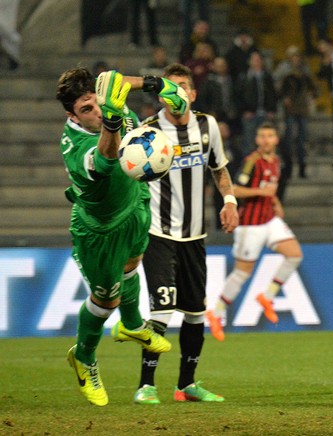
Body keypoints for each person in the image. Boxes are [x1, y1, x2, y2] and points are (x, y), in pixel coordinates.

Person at [56, 67, 189, 406]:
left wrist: (159, 85)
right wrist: (113, 123)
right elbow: (104, 161)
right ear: (72, 114)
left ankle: (132, 325)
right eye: (86, 110)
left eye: (97, 104)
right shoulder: (77, 146)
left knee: (134, 262)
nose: (97, 112)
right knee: (105, 301)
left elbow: (114, 79)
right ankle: (84, 357)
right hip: (100, 229)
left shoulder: (106, 99)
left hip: (133, 204)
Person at [132, 63, 239, 405]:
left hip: (195, 235)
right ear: (162, 95)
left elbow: (219, 168)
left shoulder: (207, 126)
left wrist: (230, 200)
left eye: (182, 87)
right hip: (159, 233)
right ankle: (146, 385)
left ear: (193, 94)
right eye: (169, 87)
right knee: (162, 308)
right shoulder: (148, 131)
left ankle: (186, 385)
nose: (176, 93)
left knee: (194, 312)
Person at [206, 122, 303, 341]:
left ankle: (267, 296)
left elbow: (271, 188)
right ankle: (216, 312)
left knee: (295, 255)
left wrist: (275, 201)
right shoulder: (251, 162)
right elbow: (235, 189)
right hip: (250, 224)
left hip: (269, 219)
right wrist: (261, 192)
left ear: (276, 139)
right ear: (257, 140)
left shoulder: (277, 161)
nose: (267, 139)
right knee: (242, 273)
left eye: (270, 135)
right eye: (262, 136)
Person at [275, 45, 318, 179]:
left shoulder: (304, 70)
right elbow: (277, 85)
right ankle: (288, 168)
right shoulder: (283, 69)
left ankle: (301, 168)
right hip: (289, 108)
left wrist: (311, 97)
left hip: (302, 107)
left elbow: (313, 87)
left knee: (301, 139)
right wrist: (284, 97)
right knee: (288, 138)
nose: (295, 59)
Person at [236, 51, 278, 156]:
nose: (256, 62)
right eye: (254, 60)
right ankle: (250, 170)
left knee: (267, 144)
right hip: (250, 114)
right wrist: (244, 111)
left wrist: (272, 110)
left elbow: (273, 94)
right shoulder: (244, 77)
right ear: (249, 62)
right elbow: (238, 95)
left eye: (258, 60)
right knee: (249, 144)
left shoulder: (267, 77)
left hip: (265, 113)